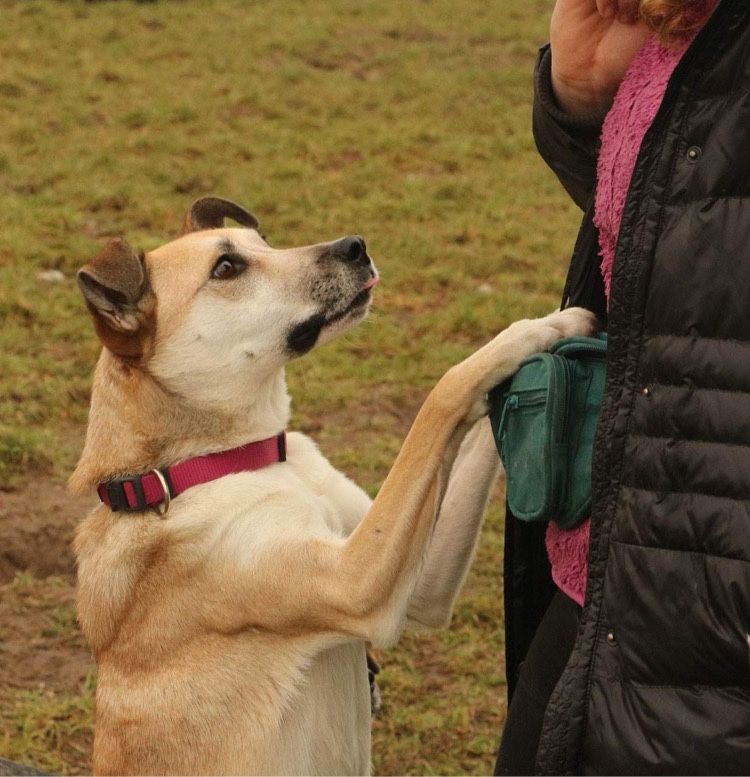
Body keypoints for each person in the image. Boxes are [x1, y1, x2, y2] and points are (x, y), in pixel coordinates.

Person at [496, 0, 750, 773]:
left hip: (707, 605)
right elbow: (684, 257)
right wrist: (582, 99)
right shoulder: (683, 32)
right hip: (610, 562)